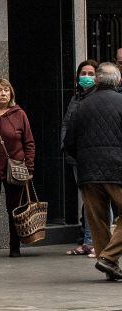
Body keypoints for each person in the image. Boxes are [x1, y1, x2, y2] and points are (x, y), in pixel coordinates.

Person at [62, 62, 122, 281]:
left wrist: (83, 160)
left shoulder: (82, 105)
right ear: (118, 81)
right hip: (117, 170)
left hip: (88, 173)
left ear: (97, 80)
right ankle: (108, 257)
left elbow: (68, 141)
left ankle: (109, 262)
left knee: (98, 221)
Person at [0, 78, 35, 258]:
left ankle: (14, 246)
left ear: (11, 94)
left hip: (15, 169)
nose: (3, 94)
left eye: (6, 90)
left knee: (14, 208)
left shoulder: (19, 114)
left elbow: (29, 143)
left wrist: (29, 167)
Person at [62, 59, 98, 257]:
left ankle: (96, 242)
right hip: (77, 156)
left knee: (97, 199)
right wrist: (66, 147)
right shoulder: (75, 99)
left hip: (93, 156)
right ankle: (88, 241)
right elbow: (66, 124)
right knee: (87, 198)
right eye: (83, 73)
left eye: (91, 73)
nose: (86, 77)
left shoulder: (100, 97)